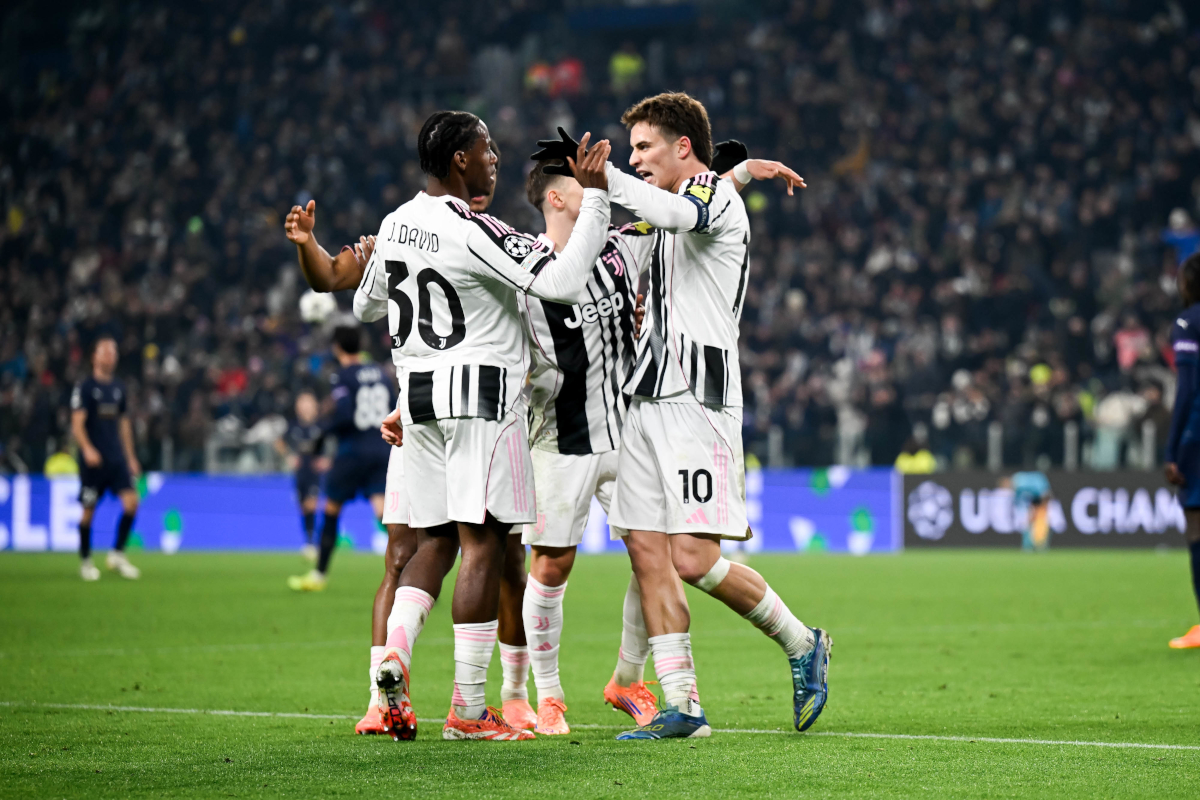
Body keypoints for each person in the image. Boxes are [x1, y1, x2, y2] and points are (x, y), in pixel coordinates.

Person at [538, 92, 829, 739]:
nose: (635, 158)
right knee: (646, 550)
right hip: (643, 400)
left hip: (698, 400)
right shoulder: (687, 203)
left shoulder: (709, 201)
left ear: (682, 149)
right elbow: (670, 207)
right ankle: (685, 707)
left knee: (693, 558)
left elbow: (686, 202)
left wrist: (602, 180)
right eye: (631, 148)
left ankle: (803, 641)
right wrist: (751, 167)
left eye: (643, 147)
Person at [362, 110, 612, 741]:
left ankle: (395, 653)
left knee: (432, 544)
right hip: (483, 397)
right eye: (487, 149)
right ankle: (470, 711)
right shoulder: (473, 229)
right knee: (485, 545)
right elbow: (559, 280)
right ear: (459, 163)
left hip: (417, 398)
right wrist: (600, 205)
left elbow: (367, 301)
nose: (495, 158)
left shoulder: (394, 223)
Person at [287, 326, 393, 592]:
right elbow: (394, 405)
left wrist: (321, 439)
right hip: (382, 450)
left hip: (352, 452)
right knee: (383, 513)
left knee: (332, 509)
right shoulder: (381, 373)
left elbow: (344, 415)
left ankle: (319, 575)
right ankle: (417, 579)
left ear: (337, 347)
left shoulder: (343, 376)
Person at [70, 335, 142, 581]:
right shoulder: (86, 387)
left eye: (113, 351)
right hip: (94, 462)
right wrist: (87, 449)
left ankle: (117, 554)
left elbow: (124, 425)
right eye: (105, 351)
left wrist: (130, 457)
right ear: (95, 356)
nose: (110, 355)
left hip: (116, 459)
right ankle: (86, 561)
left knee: (132, 503)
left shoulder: (119, 388)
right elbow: (77, 423)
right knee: (88, 511)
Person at [1163, 251, 1200, 649]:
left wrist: (1172, 449)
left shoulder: (1188, 322)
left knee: (1197, 526)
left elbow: (1188, 390)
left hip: (1198, 435)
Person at [276, 391, 324, 561]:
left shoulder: (321, 425)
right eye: (302, 403)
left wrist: (327, 460)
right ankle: (309, 540)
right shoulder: (293, 426)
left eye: (308, 402)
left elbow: (335, 443)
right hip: (300, 472)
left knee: (312, 504)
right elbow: (280, 442)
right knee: (303, 506)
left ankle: (313, 542)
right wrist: (289, 456)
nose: (304, 406)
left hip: (315, 472)